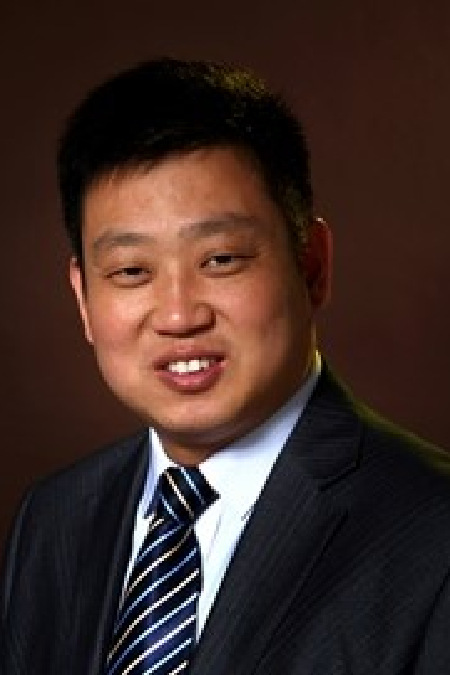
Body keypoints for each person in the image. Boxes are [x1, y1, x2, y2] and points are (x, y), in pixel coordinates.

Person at [1, 57, 450, 675]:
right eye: (131, 271)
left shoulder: (431, 532)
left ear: (312, 266)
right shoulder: (53, 518)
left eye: (221, 260)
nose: (179, 315)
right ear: (83, 299)